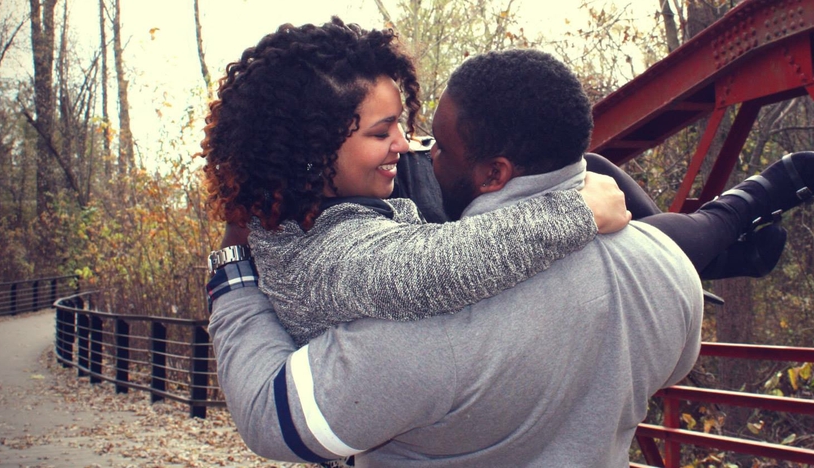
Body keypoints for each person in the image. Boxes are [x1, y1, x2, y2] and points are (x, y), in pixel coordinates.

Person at [208, 45, 705, 466]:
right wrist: (575, 210)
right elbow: (673, 367)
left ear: (494, 174)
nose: (413, 149)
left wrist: (232, 275)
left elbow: (271, 416)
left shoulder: (414, 326)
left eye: (439, 146)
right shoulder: (668, 266)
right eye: (383, 132)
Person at [198, 18, 631, 346]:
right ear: (314, 150)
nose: (404, 145)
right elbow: (440, 266)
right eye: (381, 133)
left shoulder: (307, 221)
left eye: (399, 124)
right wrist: (579, 211)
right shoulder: (323, 258)